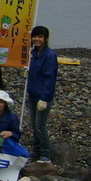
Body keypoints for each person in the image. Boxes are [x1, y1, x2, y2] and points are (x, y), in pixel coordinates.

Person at [26, 25, 58, 163]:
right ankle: (37, 151)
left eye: (40, 37)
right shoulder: (33, 54)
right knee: (33, 124)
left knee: (40, 126)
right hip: (33, 94)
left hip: (43, 97)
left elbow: (50, 78)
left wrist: (44, 98)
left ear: (46, 38)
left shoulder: (49, 55)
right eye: (35, 36)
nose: (37, 39)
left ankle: (45, 154)